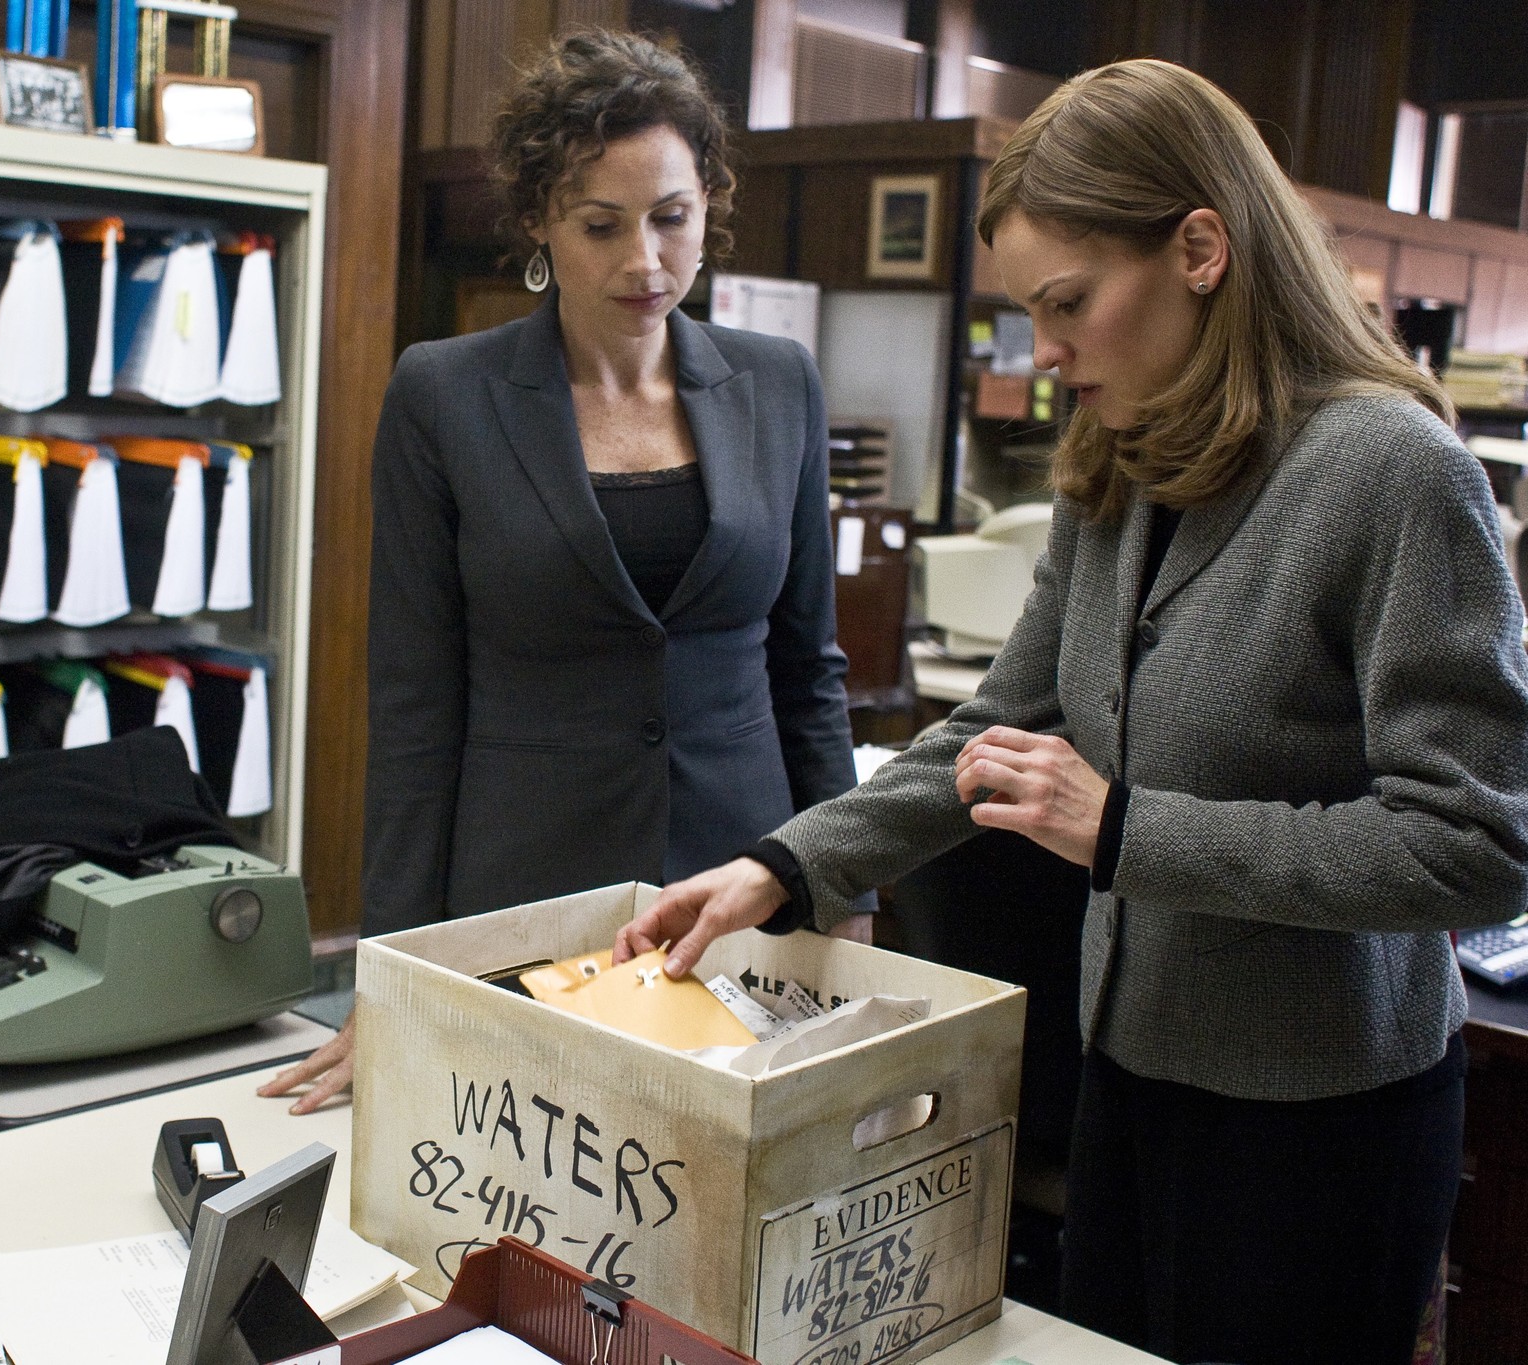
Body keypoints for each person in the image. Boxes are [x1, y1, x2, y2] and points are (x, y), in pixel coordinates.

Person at [615, 58, 1528, 1365]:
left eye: (1070, 304)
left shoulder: (1391, 471)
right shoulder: (1124, 461)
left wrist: (1127, 831)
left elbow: (1474, 847)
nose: (1045, 353)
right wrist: (784, 866)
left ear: (1201, 248)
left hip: (1319, 1117)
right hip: (1130, 1072)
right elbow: (990, 728)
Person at [261, 29, 871, 1115]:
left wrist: (845, 895)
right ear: (539, 218)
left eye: (670, 218)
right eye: (601, 225)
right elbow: (413, 707)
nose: (643, 261)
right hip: (524, 891)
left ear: (707, 203)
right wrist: (392, 977)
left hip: (738, 891)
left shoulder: (778, 384)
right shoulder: (444, 394)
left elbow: (805, 672)